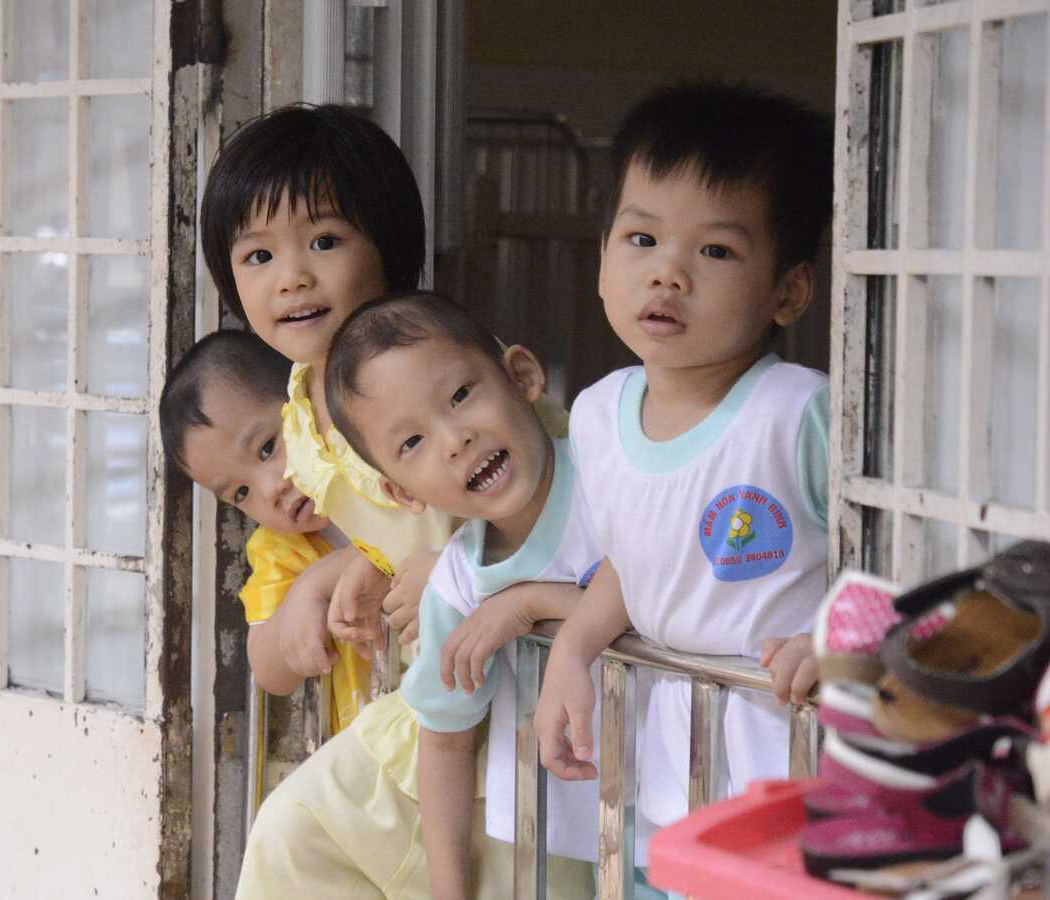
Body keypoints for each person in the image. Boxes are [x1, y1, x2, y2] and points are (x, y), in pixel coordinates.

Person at [201, 102, 535, 899]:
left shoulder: (443, 366)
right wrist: (354, 572)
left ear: (389, 247)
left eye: (324, 241)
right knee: (291, 844)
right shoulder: (297, 408)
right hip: (424, 712)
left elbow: (553, 498)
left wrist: (449, 570)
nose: (292, 277)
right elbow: (377, 541)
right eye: (256, 256)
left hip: (516, 697)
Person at [533, 83, 833, 865]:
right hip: (668, 772)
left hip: (795, 772)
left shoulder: (798, 415)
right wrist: (572, 651)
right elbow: (638, 561)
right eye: (640, 240)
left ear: (789, 291)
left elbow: (895, 554)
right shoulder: (597, 416)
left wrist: (837, 637)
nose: (668, 274)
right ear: (601, 259)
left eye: (716, 251)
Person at [325, 292, 602, 899]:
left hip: (709, 794)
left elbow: (680, 604)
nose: (454, 439)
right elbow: (445, 745)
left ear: (522, 377)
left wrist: (531, 603)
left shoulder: (612, 478)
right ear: (401, 492)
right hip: (578, 846)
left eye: (459, 396)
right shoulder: (458, 584)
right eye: (412, 443)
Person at [160, 329, 375, 732]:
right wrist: (296, 609)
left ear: (308, 396)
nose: (269, 488)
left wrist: (320, 582)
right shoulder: (282, 549)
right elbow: (266, 669)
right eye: (241, 493)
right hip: (378, 739)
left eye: (266, 448)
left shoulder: (380, 468)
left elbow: (421, 544)